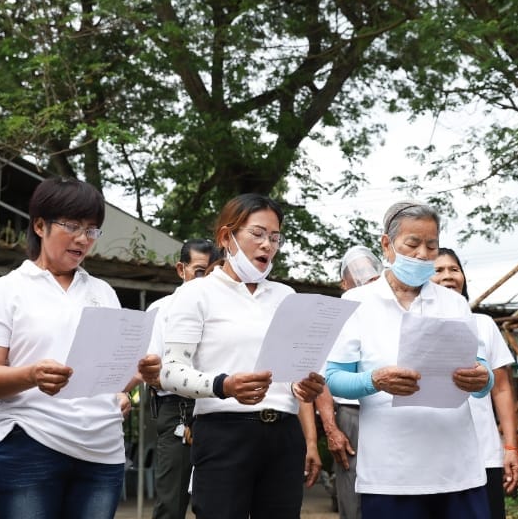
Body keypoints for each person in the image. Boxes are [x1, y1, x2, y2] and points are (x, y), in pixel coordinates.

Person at [0, 176, 160, 519]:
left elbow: (108, 377)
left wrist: (137, 374)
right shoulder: (4, 290)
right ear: (40, 225)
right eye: (72, 226)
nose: (83, 238)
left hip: (102, 450)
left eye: (92, 229)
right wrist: (31, 375)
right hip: (31, 441)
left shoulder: (104, 293)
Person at [160, 193, 325, 519]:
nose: (267, 245)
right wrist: (224, 385)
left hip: (284, 434)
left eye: (275, 237)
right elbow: (170, 372)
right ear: (226, 237)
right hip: (223, 433)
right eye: (258, 234)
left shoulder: (286, 296)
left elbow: (291, 372)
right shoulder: (196, 293)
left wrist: (301, 387)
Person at [326, 200, 495, 519]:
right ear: (386, 245)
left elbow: (483, 375)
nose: (422, 254)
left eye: (432, 246)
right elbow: (334, 378)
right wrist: (374, 380)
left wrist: (482, 378)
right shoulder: (356, 302)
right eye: (412, 244)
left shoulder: (454, 303)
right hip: (391, 473)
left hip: (458, 468)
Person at [431, 247, 518, 519]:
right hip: (431, 457)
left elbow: (502, 389)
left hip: (484, 453)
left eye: (454, 269)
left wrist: (510, 447)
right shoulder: (413, 323)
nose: (448, 275)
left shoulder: (483, 324)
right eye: (438, 270)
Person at [147, 238, 220, 519]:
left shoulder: (227, 309)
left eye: (213, 272)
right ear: (181, 269)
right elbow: (152, 372)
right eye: (200, 271)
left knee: (220, 502)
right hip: (178, 408)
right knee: (171, 502)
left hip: (222, 409)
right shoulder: (161, 310)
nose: (206, 279)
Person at [315, 245, 384, 519]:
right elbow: (321, 378)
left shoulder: (394, 312)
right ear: (344, 284)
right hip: (352, 415)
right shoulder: (335, 319)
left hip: (393, 411)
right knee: (354, 496)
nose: (366, 280)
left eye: (371, 274)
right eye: (357, 276)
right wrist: (332, 429)